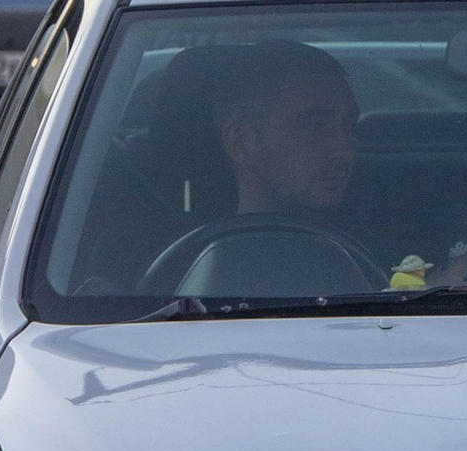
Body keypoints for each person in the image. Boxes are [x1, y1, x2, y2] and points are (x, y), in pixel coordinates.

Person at [154, 35, 378, 296]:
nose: (345, 150)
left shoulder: (394, 257)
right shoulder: (166, 280)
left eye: (349, 126)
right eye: (314, 125)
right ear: (240, 143)